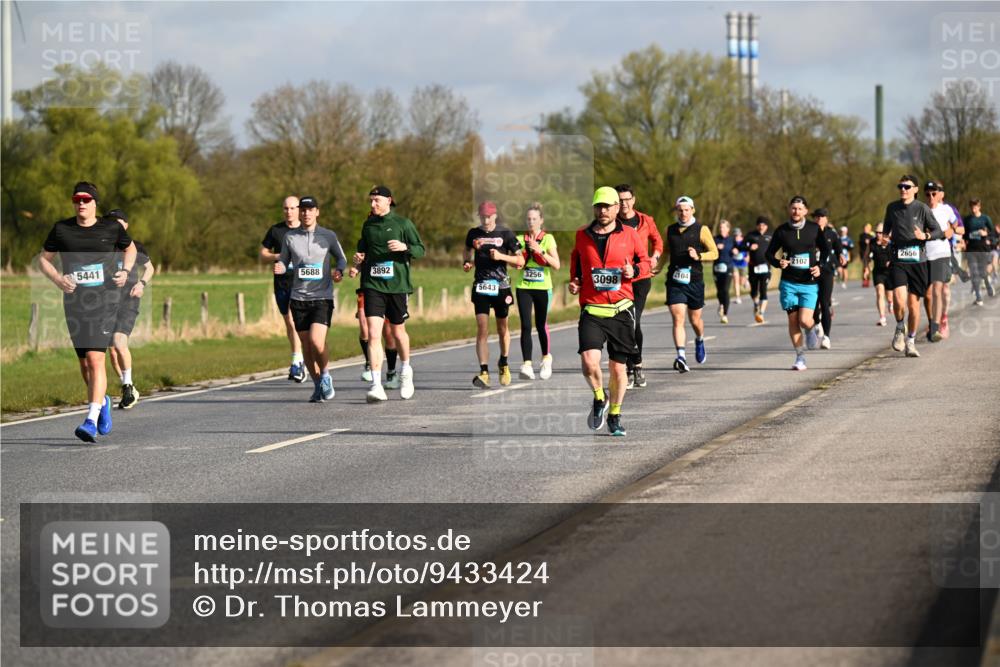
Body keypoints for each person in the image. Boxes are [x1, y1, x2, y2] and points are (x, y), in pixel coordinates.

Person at [38, 182, 136, 442]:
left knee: (96, 360)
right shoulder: (62, 229)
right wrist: (58, 280)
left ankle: (90, 420)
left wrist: (125, 272)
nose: (81, 203)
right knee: (84, 364)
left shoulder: (111, 228)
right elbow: (43, 259)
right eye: (77, 199)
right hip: (74, 303)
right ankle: (101, 400)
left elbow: (131, 248)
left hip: (104, 301)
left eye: (86, 199)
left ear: (95, 203)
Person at [569, 187, 647, 436]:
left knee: (617, 368)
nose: (602, 211)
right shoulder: (582, 235)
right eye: (598, 206)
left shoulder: (630, 234)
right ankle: (599, 397)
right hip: (592, 308)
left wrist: (633, 272)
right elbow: (576, 262)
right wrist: (575, 281)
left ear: (617, 208)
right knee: (589, 362)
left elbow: (644, 262)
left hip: (621, 309)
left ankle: (615, 414)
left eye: (607, 206)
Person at [353, 185, 424, 402]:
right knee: (374, 334)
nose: (372, 204)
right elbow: (362, 250)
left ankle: (406, 371)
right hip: (373, 285)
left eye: (376, 200)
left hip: (397, 286)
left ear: (388, 201)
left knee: (397, 332)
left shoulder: (403, 224)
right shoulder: (368, 225)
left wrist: (405, 247)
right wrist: (357, 262)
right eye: (371, 200)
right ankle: (376, 385)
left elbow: (420, 249)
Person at [274, 196, 347, 402]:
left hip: (322, 296)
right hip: (298, 298)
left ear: (317, 212)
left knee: (316, 341)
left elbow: (341, 258)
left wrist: (339, 270)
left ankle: (325, 375)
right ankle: (316, 385)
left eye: (310, 209)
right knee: (305, 346)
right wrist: (280, 267)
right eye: (303, 210)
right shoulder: (289, 237)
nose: (306, 213)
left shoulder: (328, 236)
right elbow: (284, 261)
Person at [765, 195, 830, 371]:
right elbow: (769, 254)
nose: (796, 211)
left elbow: (826, 250)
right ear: (789, 210)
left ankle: (812, 328)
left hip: (808, 283)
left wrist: (820, 266)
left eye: (800, 209)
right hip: (789, 283)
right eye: (793, 208)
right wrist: (779, 262)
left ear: (806, 211)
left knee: (804, 320)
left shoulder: (814, 229)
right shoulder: (781, 231)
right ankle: (800, 357)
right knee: (793, 320)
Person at [464, 201, 524, 388]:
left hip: (501, 287)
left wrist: (501, 257)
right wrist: (467, 262)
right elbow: (466, 251)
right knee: (482, 328)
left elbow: (520, 260)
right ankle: (483, 372)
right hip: (481, 286)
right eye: (482, 216)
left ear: (495, 216)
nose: (486, 220)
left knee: (502, 328)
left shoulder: (505, 233)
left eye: (489, 216)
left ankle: (503, 363)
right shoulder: (473, 233)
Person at [882, 175, 943, 358]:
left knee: (914, 306)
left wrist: (925, 237)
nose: (903, 189)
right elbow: (886, 230)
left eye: (907, 187)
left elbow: (938, 230)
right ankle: (900, 326)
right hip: (899, 259)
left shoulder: (922, 208)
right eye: (900, 186)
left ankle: (911, 340)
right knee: (899, 301)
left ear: (915, 189)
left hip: (918, 261)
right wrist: (885, 238)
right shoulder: (892, 208)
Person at [657, 195, 718, 373]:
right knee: (678, 318)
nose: (683, 213)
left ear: (692, 210)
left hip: (695, 281)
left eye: (686, 210)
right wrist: (657, 268)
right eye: (680, 210)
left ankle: (699, 339)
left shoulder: (701, 229)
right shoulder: (669, 230)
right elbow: (664, 252)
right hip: (675, 280)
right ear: (676, 211)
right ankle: (681, 356)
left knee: (695, 320)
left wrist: (699, 256)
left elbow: (714, 253)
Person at [105, 209, 154, 410]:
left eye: (118, 222)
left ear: (126, 225)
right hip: (107, 303)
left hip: (128, 301)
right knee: (112, 352)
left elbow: (150, 268)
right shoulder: (104, 248)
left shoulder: (135, 247)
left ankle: (127, 385)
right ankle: (129, 386)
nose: (115, 226)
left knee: (119, 341)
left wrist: (141, 283)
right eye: (111, 223)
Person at [615, 184, 662, 389]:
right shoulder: (611, 223)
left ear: (633, 200)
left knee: (633, 321)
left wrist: (655, 257)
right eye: (620, 200)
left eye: (627, 199)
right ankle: (626, 366)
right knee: (620, 323)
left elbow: (658, 241)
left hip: (641, 277)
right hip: (619, 279)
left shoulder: (645, 220)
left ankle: (638, 366)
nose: (624, 204)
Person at [260, 196, 306, 383]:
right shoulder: (276, 230)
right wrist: (277, 256)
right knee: (289, 322)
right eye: (286, 208)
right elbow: (263, 254)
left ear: (299, 209)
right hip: (282, 283)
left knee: (293, 320)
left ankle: (297, 362)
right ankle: (301, 358)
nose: (289, 211)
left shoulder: (306, 230)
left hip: (302, 283)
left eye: (293, 208)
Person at [515, 203, 560, 381]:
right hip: (523, 287)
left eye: (534, 219)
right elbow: (515, 262)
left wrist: (540, 251)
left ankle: (546, 358)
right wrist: (517, 259)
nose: (531, 222)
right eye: (528, 219)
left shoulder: (548, 239)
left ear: (541, 220)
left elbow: (556, 265)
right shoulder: (519, 239)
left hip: (543, 287)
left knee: (541, 324)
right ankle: (526, 364)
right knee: (526, 325)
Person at [922, 181, 956, 342]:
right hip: (924, 255)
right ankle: (931, 321)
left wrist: (951, 230)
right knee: (927, 295)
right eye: (928, 194)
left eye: (934, 193)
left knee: (937, 290)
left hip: (941, 254)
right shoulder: (921, 210)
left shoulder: (946, 209)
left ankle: (935, 327)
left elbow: (955, 224)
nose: (931, 197)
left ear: (939, 194)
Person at [812, 209, 843, 350]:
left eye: (822, 217)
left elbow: (838, 247)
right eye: (817, 217)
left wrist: (841, 255)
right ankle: (817, 323)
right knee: (813, 303)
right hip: (811, 271)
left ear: (826, 219)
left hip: (827, 272)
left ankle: (827, 337)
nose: (819, 219)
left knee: (824, 303)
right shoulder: (809, 232)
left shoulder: (831, 233)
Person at [356, 289, 398, 384]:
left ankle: (391, 371)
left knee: (388, 335)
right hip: (368, 290)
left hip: (388, 291)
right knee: (365, 328)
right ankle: (369, 365)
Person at [964, 198, 995, 305]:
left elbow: (992, 232)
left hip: (982, 249)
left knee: (982, 272)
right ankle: (978, 296)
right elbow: (964, 234)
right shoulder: (967, 220)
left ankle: (988, 284)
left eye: (975, 206)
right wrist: (965, 240)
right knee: (974, 273)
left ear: (979, 206)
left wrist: (986, 235)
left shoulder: (985, 218)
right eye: (972, 207)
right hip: (971, 249)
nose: (974, 209)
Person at [742, 216, 773, 324]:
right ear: (757, 226)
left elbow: (776, 248)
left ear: (766, 226)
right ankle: (756, 304)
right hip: (753, 267)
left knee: (763, 290)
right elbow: (741, 246)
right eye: (759, 225)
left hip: (766, 267)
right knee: (754, 291)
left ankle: (761, 313)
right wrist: (749, 247)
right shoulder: (750, 235)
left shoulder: (770, 236)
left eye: (763, 225)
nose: (761, 227)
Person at [713, 220, 738, 323]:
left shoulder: (732, 240)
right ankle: (721, 304)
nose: (721, 229)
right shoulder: (715, 239)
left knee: (725, 290)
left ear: (728, 229)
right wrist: (715, 248)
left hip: (728, 267)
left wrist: (736, 251)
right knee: (719, 291)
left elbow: (738, 248)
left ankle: (725, 314)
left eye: (724, 227)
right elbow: (709, 249)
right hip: (717, 267)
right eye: (720, 227)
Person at [869, 223, 893, 326]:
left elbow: (897, 254)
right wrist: (866, 267)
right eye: (876, 232)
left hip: (889, 272)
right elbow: (866, 255)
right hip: (878, 272)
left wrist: (891, 261)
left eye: (880, 232)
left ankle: (891, 303)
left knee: (889, 296)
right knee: (879, 292)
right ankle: (882, 317)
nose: (878, 234)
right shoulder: (872, 242)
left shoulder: (890, 242)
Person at [732, 227, 748, 304]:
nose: (736, 237)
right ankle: (738, 297)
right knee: (736, 280)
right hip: (734, 263)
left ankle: (746, 280)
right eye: (735, 235)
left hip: (743, 264)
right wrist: (732, 251)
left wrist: (746, 257)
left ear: (740, 234)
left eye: (737, 235)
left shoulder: (744, 242)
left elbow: (748, 251)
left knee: (741, 282)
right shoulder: (732, 242)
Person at [858, 223, 876, 288]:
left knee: (868, 267)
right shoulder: (861, 235)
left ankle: (867, 280)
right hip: (863, 254)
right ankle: (864, 281)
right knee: (865, 267)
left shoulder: (871, 236)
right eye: (865, 228)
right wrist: (865, 241)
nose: (866, 229)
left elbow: (873, 244)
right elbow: (860, 242)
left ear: (869, 229)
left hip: (869, 254)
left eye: (867, 228)